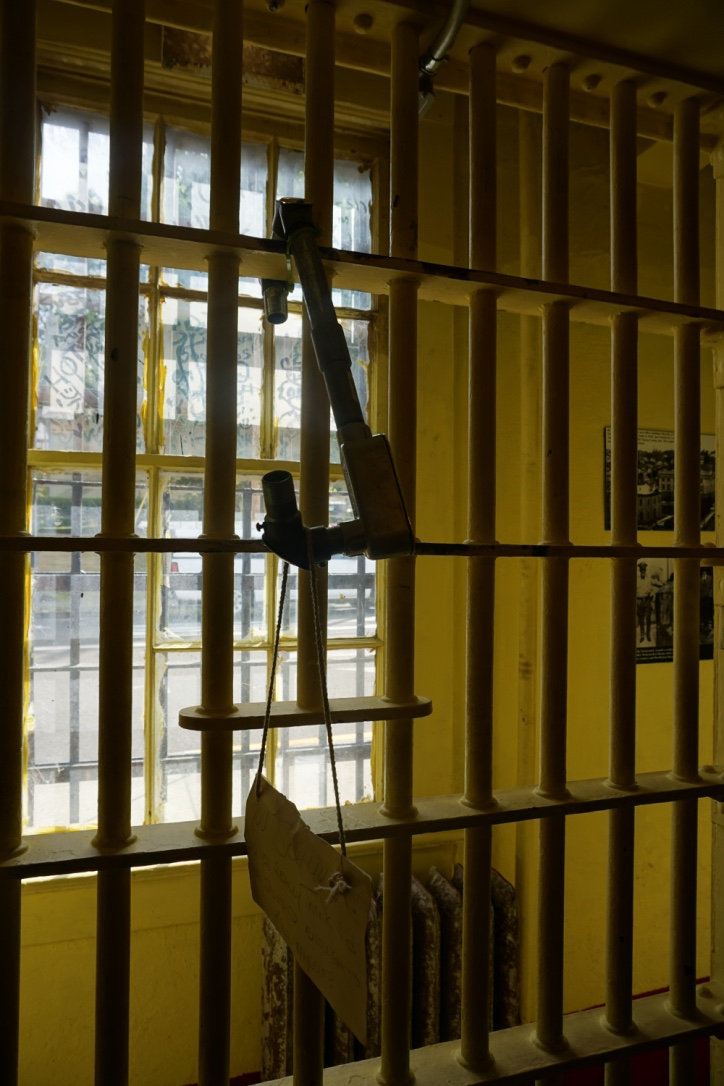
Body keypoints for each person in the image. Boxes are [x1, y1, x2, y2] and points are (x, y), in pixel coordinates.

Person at [636, 561, 663, 643]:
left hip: (647, 601)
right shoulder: (636, 580)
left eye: (644, 570)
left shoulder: (649, 579)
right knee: (641, 620)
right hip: (639, 602)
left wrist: (653, 592)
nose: (643, 572)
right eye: (641, 570)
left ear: (645, 570)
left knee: (648, 619)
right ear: (639, 571)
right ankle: (642, 635)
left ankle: (648, 634)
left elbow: (660, 584)